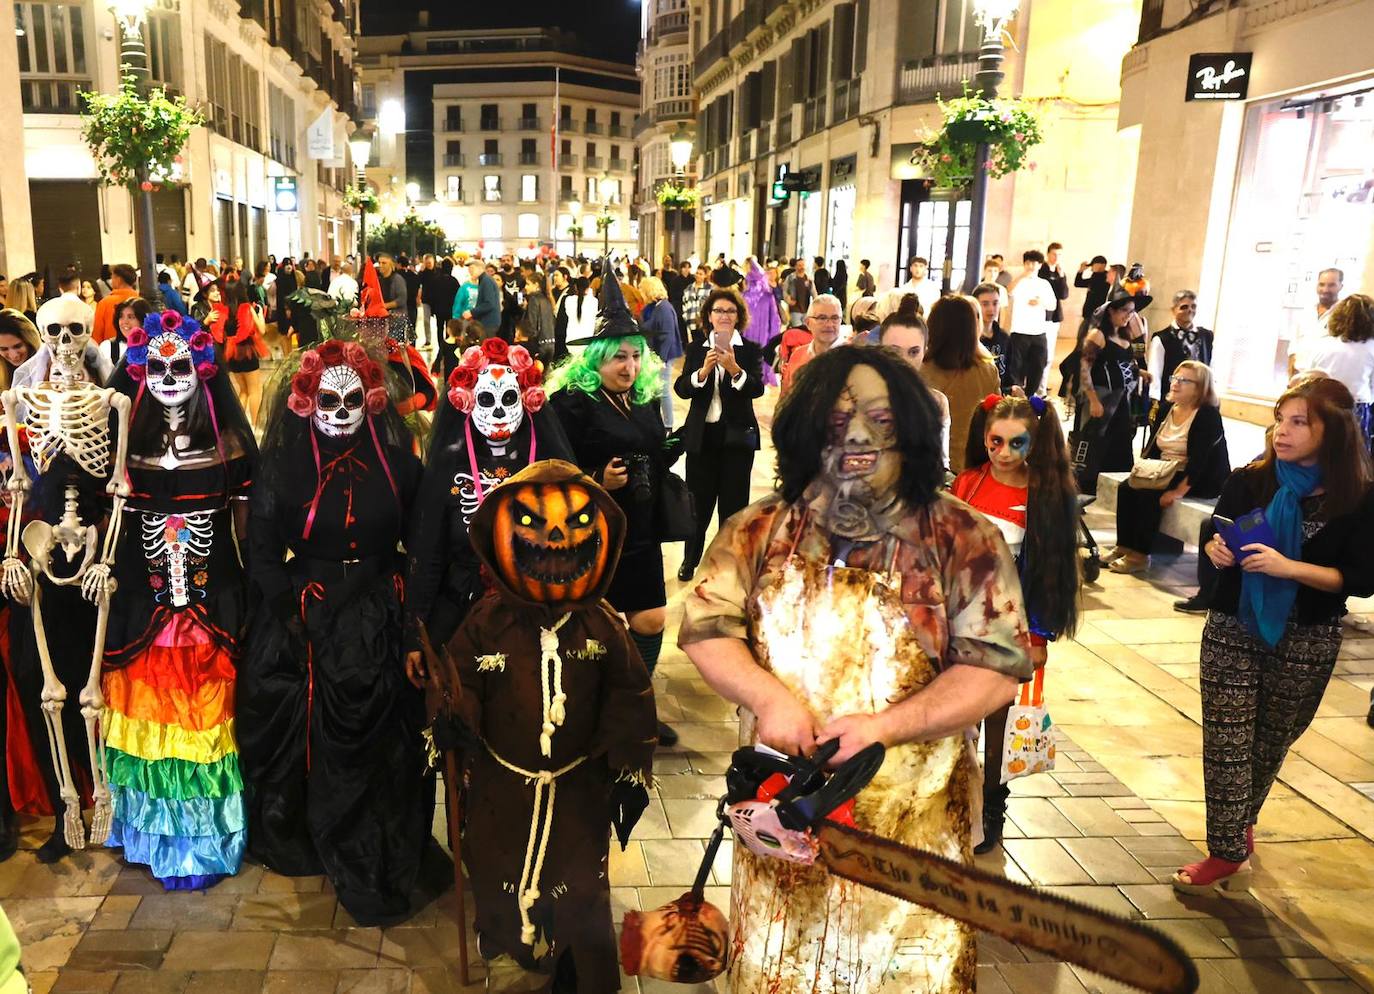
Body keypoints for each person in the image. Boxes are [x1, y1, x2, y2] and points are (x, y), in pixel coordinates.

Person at [680, 346, 1032, 994]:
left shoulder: (963, 538)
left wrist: (889, 726)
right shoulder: (758, 529)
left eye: (881, 419)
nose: (860, 437)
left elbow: (996, 670)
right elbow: (706, 628)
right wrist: (769, 699)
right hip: (783, 822)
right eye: (840, 420)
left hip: (913, 832)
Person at [436, 459, 656, 994]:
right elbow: (458, 682)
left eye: (577, 522)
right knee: (496, 862)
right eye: (532, 524)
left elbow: (630, 694)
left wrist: (628, 764)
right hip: (501, 784)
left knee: (580, 879)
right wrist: (451, 720)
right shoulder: (487, 624)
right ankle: (505, 934)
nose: (556, 535)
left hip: (578, 785)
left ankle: (580, 963)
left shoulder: (603, 625)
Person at [238, 338, 433, 926]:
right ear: (307, 400)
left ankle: (380, 834)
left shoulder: (401, 465)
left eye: (353, 400)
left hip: (381, 609)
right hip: (310, 605)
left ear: (370, 401)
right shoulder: (282, 467)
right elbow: (264, 551)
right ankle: (310, 827)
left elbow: (423, 545)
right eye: (329, 398)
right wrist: (290, 609)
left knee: (386, 731)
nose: (341, 411)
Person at [1175, 376, 1374, 895]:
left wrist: (1291, 568)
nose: (1280, 432)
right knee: (1227, 742)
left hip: (1308, 635)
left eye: (1297, 422)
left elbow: (1361, 580)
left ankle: (1242, 819)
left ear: (1333, 432)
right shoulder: (1251, 481)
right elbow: (1218, 531)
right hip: (1234, 625)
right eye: (1279, 419)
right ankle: (1225, 849)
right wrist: (1218, 548)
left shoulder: (1359, 498)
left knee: (1268, 742)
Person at [101, 310, 257, 889]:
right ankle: (151, 836)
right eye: (159, 367)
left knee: (209, 723)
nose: (169, 377)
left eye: (181, 366)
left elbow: (245, 522)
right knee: (149, 725)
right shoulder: (124, 442)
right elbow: (104, 515)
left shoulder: (230, 444)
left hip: (212, 606)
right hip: (142, 611)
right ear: (142, 370)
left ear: (201, 370)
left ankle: (210, 835)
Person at [549, 261, 678, 746]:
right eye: (618, 358)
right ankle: (591, 711)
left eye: (634, 356)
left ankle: (635, 703)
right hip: (591, 531)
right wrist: (595, 478)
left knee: (650, 619)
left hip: (640, 528)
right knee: (594, 629)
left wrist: (673, 449)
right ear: (595, 360)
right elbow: (554, 469)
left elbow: (654, 448)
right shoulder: (573, 404)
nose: (628, 366)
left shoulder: (642, 399)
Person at [955, 393, 1080, 853]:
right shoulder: (967, 483)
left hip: (1011, 627)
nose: (1003, 453)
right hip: (958, 619)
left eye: (1015, 443)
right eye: (994, 442)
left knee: (998, 722)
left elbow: (1053, 571)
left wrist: (1040, 634)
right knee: (954, 715)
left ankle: (992, 805)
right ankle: (956, 800)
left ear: (1037, 442)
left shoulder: (1046, 497)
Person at [403, 337, 571, 675]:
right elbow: (428, 552)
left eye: (508, 398)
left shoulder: (546, 461)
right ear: (467, 402)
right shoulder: (448, 466)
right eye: (486, 399)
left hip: (538, 611)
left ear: (525, 400)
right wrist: (415, 632)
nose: (497, 411)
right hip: (462, 607)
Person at [674, 287, 765, 582]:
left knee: (733, 506)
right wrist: (701, 373)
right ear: (708, 317)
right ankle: (690, 560)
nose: (724, 316)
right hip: (703, 437)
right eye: (718, 311)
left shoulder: (749, 349)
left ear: (738, 316)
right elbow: (682, 390)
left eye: (730, 311)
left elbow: (758, 388)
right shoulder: (696, 349)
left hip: (737, 439)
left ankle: (728, 564)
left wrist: (735, 369)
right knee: (697, 504)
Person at [1107, 360, 1230, 574]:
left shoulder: (1207, 415)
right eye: (1175, 378)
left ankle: (1140, 556)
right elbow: (1153, 448)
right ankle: (1124, 546)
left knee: (1149, 495)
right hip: (1166, 468)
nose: (1176, 383)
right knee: (1128, 488)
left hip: (1198, 477)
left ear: (1200, 387)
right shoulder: (1166, 408)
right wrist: (1142, 471)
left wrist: (1177, 492)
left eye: (1184, 380)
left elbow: (1200, 460)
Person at [1076, 284, 1151, 493]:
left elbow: (1129, 362)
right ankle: (1086, 486)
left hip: (1122, 398)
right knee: (1096, 441)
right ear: (1112, 311)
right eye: (1125, 311)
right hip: (1101, 396)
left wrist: (1141, 372)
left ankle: (1116, 486)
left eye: (1132, 311)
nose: (1129, 316)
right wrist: (1092, 399)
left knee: (1121, 440)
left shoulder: (1126, 335)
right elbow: (1084, 369)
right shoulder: (1097, 335)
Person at [921, 295, 1002, 474]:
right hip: (978, 465)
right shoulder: (987, 369)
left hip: (935, 467)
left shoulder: (922, 371)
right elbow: (997, 418)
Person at [1303, 294, 1374, 451]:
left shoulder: (1321, 344)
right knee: (1354, 451)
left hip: (1323, 403)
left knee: (1323, 447)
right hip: (1357, 405)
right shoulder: (1371, 347)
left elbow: (1309, 376)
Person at [1147, 291, 1214, 402]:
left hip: (1200, 397)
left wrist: (1211, 393)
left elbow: (1211, 367)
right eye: (1184, 307)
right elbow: (1155, 372)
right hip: (1172, 396)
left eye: (1193, 306)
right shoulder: (1161, 338)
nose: (1190, 310)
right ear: (1173, 310)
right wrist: (1155, 401)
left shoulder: (1207, 335)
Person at [220, 279, 269, 424]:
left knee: (243, 391)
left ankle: (240, 426)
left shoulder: (224, 310)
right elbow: (262, 330)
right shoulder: (247, 308)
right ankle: (255, 425)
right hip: (247, 351)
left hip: (231, 352)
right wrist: (259, 313)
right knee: (255, 390)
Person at [1006, 251, 1054, 395]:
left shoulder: (1044, 284)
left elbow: (1052, 305)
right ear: (1024, 264)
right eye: (1028, 263)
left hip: (1038, 332)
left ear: (1040, 265)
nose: (1031, 266)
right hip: (1019, 331)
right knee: (1016, 367)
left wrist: (1041, 301)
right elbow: (1008, 291)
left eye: (1034, 263)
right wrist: (1022, 276)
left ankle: (1030, 395)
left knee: (1038, 365)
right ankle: (1015, 396)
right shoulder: (1019, 282)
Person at [638, 275, 684, 428]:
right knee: (656, 390)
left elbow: (667, 336)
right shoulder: (656, 307)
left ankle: (668, 425)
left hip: (663, 357)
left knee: (663, 391)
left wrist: (661, 360)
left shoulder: (664, 308)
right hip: (656, 355)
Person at [1288, 268, 1344, 378]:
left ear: (1341, 286)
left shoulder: (1344, 314)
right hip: (1299, 375)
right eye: (1321, 284)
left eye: (1331, 285)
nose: (1325, 289)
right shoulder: (1306, 311)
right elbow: (1294, 342)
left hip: (1325, 379)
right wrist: (1291, 369)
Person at [780, 294, 842, 394]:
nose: (829, 324)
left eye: (835, 318)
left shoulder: (852, 357)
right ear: (808, 323)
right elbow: (785, 398)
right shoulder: (797, 356)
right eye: (822, 318)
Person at [740, 259, 781, 387]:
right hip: (764, 335)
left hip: (747, 334)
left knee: (747, 358)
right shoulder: (768, 296)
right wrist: (774, 339)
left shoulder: (743, 296)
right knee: (761, 358)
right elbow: (775, 320)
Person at [974, 281, 1013, 392]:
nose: (991, 309)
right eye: (985, 304)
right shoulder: (969, 338)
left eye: (995, 303)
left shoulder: (1004, 338)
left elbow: (1009, 373)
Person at [99, 296, 152, 371]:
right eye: (121, 317)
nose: (124, 322)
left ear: (143, 321)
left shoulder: (154, 347)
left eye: (131, 317)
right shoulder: (107, 348)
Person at [91, 265, 138, 344]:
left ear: (118, 279)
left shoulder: (105, 303)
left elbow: (97, 333)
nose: (111, 280)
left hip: (111, 351)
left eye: (112, 277)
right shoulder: (140, 300)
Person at [518, 270, 556, 366]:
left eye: (528, 284)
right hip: (550, 343)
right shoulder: (547, 299)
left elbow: (532, 323)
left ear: (536, 285)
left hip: (538, 344)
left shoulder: (534, 299)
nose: (525, 287)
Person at [458, 258, 501, 339]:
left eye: (472, 268)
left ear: (480, 268)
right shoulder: (484, 280)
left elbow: (489, 303)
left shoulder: (486, 281)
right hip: (487, 321)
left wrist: (472, 312)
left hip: (488, 323)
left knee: (487, 347)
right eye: (469, 269)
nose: (469, 271)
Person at [0, 311, 40, 392]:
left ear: (30, 342)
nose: (13, 355)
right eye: (4, 349)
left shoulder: (50, 367)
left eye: (18, 346)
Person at [1074, 255, 1111, 335]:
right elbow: (1078, 283)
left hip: (1097, 315)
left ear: (1101, 265)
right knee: (1082, 336)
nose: (1091, 268)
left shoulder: (1106, 278)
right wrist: (1080, 271)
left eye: (1093, 265)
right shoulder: (1095, 276)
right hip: (1089, 314)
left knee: (1085, 338)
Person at [1038, 241, 1071, 330]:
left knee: (1051, 340)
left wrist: (1061, 276)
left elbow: (1064, 295)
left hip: (1055, 313)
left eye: (1059, 255)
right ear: (1048, 254)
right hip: (1041, 311)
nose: (1056, 257)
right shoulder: (1040, 270)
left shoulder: (1060, 272)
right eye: (1054, 254)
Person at [782, 258, 813, 328]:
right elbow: (784, 290)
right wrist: (788, 300)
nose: (802, 267)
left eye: (803, 265)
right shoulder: (790, 278)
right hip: (794, 309)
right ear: (796, 266)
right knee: (797, 329)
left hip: (806, 309)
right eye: (799, 265)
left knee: (805, 330)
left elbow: (814, 292)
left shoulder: (809, 279)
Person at [681, 263, 712, 333]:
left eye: (701, 274)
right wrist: (686, 318)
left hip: (705, 325)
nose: (698, 275)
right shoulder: (688, 289)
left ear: (705, 276)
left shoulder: (709, 289)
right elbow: (684, 305)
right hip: (691, 323)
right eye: (697, 273)